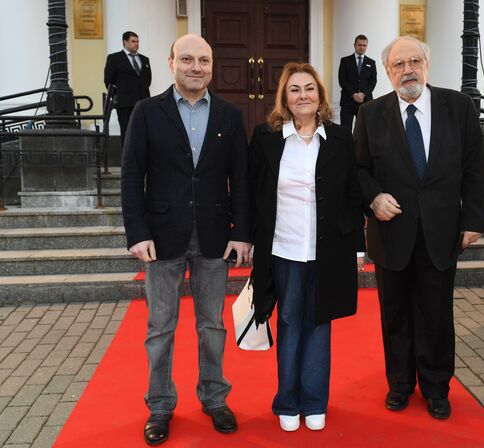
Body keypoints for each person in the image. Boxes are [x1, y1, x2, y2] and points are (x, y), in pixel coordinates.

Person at [121, 33, 251, 445]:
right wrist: (137, 232)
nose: (197, 67)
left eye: (205, 61)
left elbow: (242, 180)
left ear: (212, 66)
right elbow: (130, 175)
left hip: (215, 237)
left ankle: (214, 397)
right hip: (161, 238)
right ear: (171, 62)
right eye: (188, 59)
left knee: (212, 325)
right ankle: (160, 405)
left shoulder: (230, 116)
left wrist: (243, 232)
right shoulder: (146, 111)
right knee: (161, 327)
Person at [354, 36, 484, 420]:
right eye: (398, 64)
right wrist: (374, 198)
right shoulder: (371, 114)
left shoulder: (458, 108)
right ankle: (400, 383)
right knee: (394, 312)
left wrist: (473, 219)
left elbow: (472, 169)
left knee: (435, 314)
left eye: (414, 61)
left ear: (426, 65)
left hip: (440, 231)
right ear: (388, 71)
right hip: (390, 231)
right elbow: (359, 169)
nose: (407, 70)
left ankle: (436, 387)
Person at [249, 62, 366, 432]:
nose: (303, 95)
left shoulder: (339, 138)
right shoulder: (266, 137)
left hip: (327, 251)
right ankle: (287, 400)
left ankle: (314, 400)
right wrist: (252, 242)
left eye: (310, 88)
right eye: (295, 89)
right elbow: (254, 194)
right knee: (287, 321)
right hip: (283, 250)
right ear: (285, 96)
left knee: (319, 325)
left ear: (320, 96)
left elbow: (352, 195)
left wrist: (357, 248)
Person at [104, 31, 152, 145]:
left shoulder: (145, 59)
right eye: (133, 41)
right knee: (127, 133)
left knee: (143, 132)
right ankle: (127, 161)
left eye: (137, 41)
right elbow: (109, 80)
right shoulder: (114, 58)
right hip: (125, 103)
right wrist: (119, 95)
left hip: (143, 102)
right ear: (125, 42)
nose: (136, 44)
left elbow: (147, 80)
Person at [338, 34, 377, 131]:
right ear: (354, 45)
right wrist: (353, 94)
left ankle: (360, 147)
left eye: (364, 45)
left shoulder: (371, 62)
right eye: (359, 45)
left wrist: (363, 94)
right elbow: (342, 80)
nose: (362, 47)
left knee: (362, 130)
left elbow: (373, 81)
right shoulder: (345, 61)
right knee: (345, 130)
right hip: (347, 101)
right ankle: (347, 146)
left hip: (365, 102)